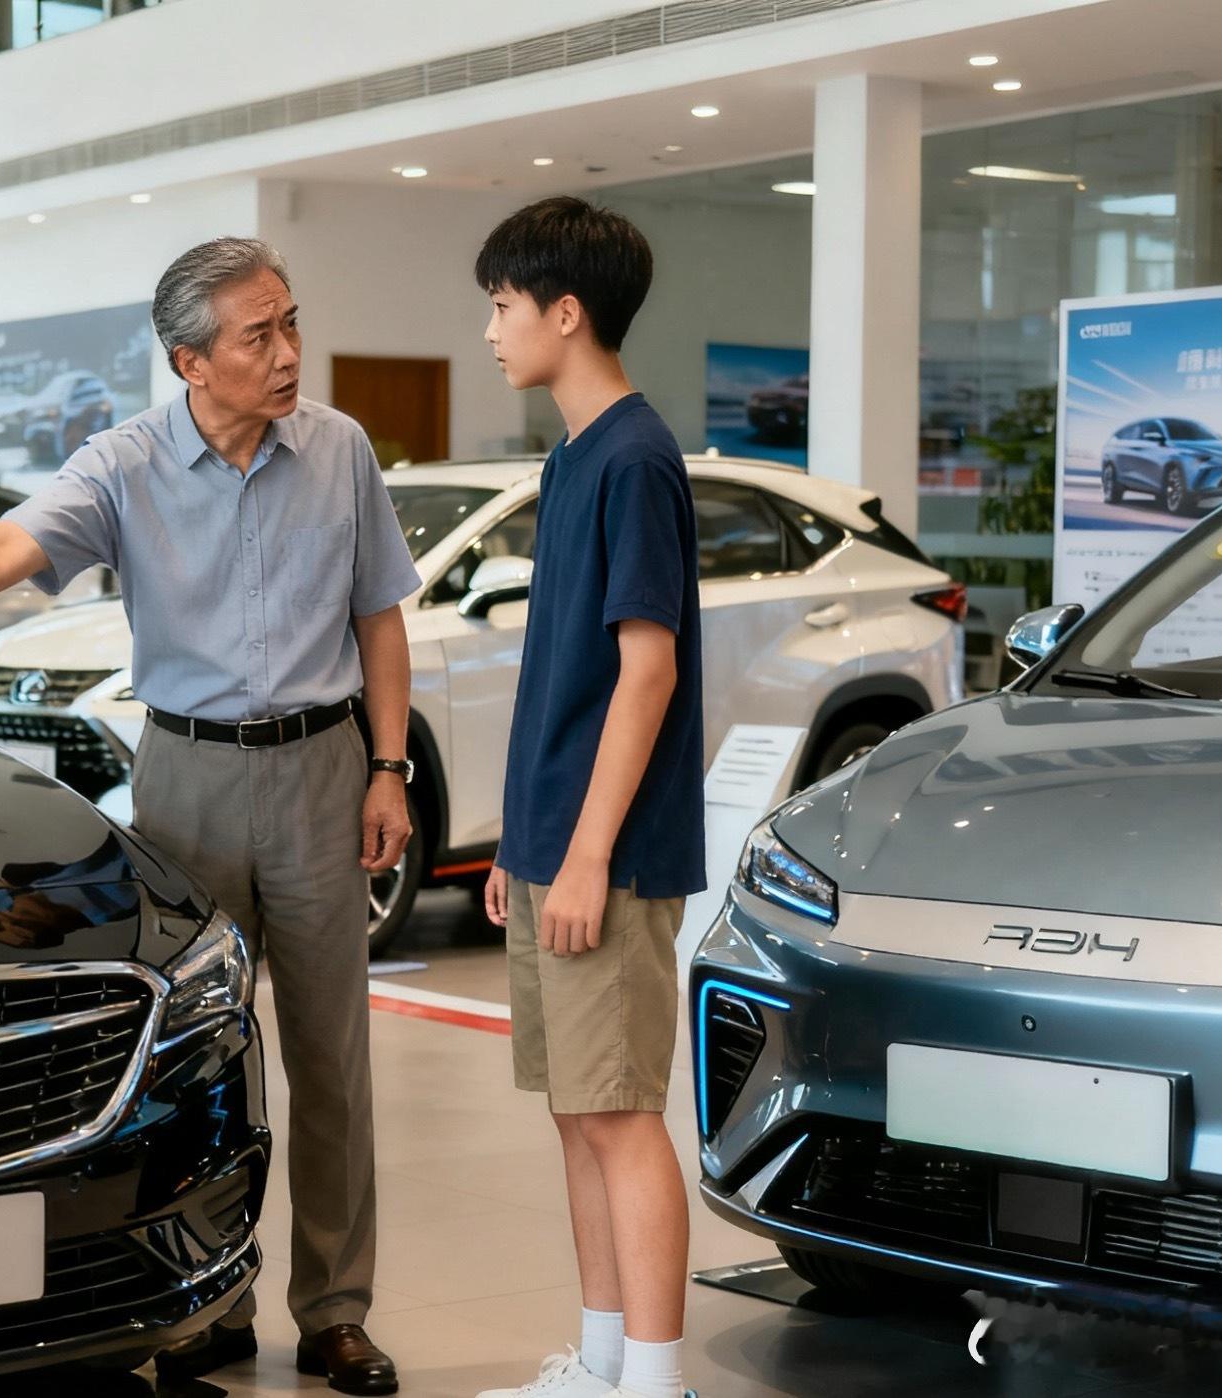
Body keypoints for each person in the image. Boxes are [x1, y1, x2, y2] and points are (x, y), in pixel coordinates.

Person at [0, 237, 419, 1397]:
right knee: (192, 1062)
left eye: (290, 323)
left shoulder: (342, 450)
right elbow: (3, 548)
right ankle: (204, 1300)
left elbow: (381, 620)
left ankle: (335, 1310)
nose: (286, 353)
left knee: (332, 1058)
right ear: (190, 361)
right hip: (188, 780)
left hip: (322, 769)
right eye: (256, 336)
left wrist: (389, 766)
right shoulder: (123, 466)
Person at [469, 197, 701, 1398]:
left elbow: (645, 671)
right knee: (576, 1114)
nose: (493, 333)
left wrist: (592, 853)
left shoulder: (634, 457)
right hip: (557, 838)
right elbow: (560, 677)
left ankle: (656, 1381)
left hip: (610, 853)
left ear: (567, 311)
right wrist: (526, 841)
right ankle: (603, 1365)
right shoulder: (569, 459)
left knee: (618, 1117)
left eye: (503, 308)